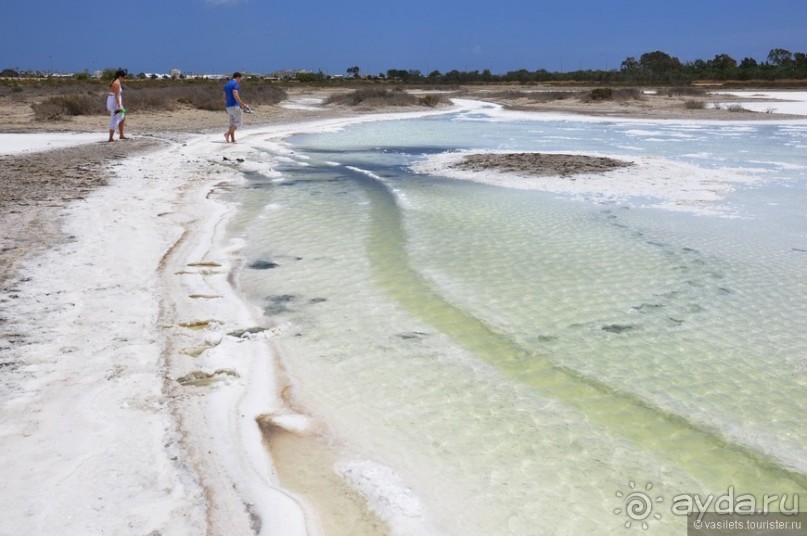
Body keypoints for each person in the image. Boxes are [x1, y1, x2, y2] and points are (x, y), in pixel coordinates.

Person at [223, 72, 249, 143]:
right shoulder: (235, 84)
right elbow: (235, 95)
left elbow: (224, 97)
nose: (240, 80)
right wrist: (243, 105)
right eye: (240, 78)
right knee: (238, 123)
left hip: (228, 107)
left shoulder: (226, 85)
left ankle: (233, 139)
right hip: (234, 106)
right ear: (238, 77)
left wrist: (227, 105)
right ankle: (227, 134)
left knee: (232, 124)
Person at [106, 69, 128, 142]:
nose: (124, 79)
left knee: (123, 117)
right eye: (123, 77)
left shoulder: (115, 81)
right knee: (114, 118)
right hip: (114, 103)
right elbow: (117, 95)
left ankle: (121, 135)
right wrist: (119, 105)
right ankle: (110, 138)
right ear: (120, 76)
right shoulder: (117, 83)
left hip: (113, 101)